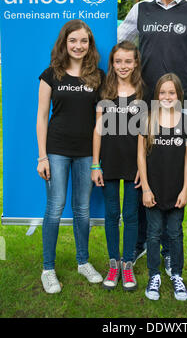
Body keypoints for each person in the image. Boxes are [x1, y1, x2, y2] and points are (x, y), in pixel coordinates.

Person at [118, 0, 187, 269]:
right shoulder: (140, 10)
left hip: (184, 108)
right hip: (144, 108)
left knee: (177, 171)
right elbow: (119, 45)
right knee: (145, 172)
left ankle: (171, 245)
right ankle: (144, 239)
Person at [36, 19, 105, 294]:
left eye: (84, 41)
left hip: (87, 152)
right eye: (73, 40)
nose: (78, 46)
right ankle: (48, 268)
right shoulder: (51, 74)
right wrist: (42, 157)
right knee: (55, 208)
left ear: (90, 44)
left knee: (83, 210)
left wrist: (98, 159)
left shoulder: (98, 77)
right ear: (65, 43)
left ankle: (83, 261)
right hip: (56, 150)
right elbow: (42, 117)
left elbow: (101, 121)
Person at [91, 41, 145, 291]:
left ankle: (128, 265)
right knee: (112, 214)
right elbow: (98, 130)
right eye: (118, 61)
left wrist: (143, 170)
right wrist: (95, 164)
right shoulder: (105, 89)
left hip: (135, 165)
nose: (123, 66)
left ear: (135, 63)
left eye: (128, 61)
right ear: (112, 63)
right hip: (109, 163)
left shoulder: (144, 90)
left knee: (131, 215)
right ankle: (114, 264)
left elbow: (147, 134)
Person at [138, 73, 187, 301]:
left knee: (175, 234)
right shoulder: (148, 120)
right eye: (163, 92)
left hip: (176, 191)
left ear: (179, 95)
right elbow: (141, 156)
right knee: (153, 234)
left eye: (172, 92)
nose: (167, 96)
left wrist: (185, 188)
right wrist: (146, 189)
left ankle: (177, 275)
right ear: (156, 95)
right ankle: (153, 276)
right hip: (154, 190)